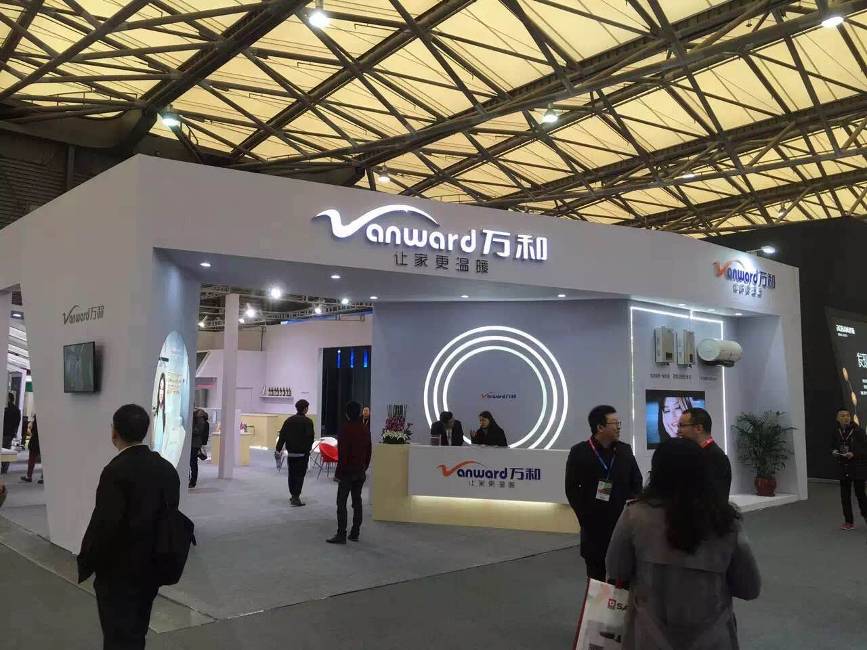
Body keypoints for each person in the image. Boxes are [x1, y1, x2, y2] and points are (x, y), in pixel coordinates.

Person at [606, 438, 761, 649]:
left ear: (656, 472)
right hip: (712, 640)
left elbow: (616, 569)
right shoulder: (726, 522)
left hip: (648, 637)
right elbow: (749, 588)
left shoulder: (635, 516)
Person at [77, 404, 181, 650]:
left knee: (118, 635)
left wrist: (87, 560)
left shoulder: (115, 471)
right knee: (137, 630)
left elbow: (105, 524)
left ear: (114, 432)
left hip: (120, 572)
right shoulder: (166, 468)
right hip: (153, 565)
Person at [565, 405, 642, 581]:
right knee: (597, 583)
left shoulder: (624, 450)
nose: (619, 427)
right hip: (594, 529)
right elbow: (571, 489)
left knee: (623, 580)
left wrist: (632, 511)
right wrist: (585, 517)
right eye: (615, 423)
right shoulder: (579, 452)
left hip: (622, 526)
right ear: (600, 427)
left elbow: (636, 482)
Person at [327, 401, 371, 544]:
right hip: (360, 471)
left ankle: (341, 534)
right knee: (357, 502)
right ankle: (355, 533)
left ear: (346, 413)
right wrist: (364, 467)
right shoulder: (365, 429)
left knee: (341, 503)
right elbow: (369, 451)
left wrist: (338, 474)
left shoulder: (345, 429)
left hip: (347, 472)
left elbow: (343, 454)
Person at [677, 407, 731, 503]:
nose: (678, 431)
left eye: (682, 426)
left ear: (699, 428)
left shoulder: (716, 458)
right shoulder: (695, 454)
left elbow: (713, 498)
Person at [832, 408, 867, 530]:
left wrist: (854, 454)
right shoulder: (836, 432)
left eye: (847, 415)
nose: (845, 417)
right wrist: (834, 451)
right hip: (844, 467)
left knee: (860, 495)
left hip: (858, 467)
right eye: (842, 416)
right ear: (837, 419)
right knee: (845, 496)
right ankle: (848, 522)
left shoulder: (858, 431)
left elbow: (865, 449)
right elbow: (832, 445)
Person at [275, 399, 315, 506]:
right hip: (302, 454)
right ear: (305, 409)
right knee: (300, 475)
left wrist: (278, 449)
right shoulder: (308, 422)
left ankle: (293, 495)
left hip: (291, 453)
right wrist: (308, 450)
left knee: (292, 474)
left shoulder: (288, 420)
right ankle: (296, 497)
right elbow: (310, 438)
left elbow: (282, 436)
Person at [1, 392, 21, 474]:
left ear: (8, 399)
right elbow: (17, 423)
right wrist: (14, 432)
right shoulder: (16, 409)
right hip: (8, 434)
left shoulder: (5, 408)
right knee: (6, 451)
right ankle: (4, 469)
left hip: (5, 433)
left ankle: (4, 468)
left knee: (4, 450)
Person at [189, 410, 209, 489]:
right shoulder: (199, 419)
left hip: (195, 444)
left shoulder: (200, 420)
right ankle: (191, 480)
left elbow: (197, 431)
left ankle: (193, 481)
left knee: (193, 462)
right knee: (192, 462)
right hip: (194, 444)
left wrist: (190, 429)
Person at [20, 414, 42, 484]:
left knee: (31, 460)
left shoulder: (36, 419)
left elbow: (31, 431)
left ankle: (29, 476)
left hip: (35, 442)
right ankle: (43, 478)